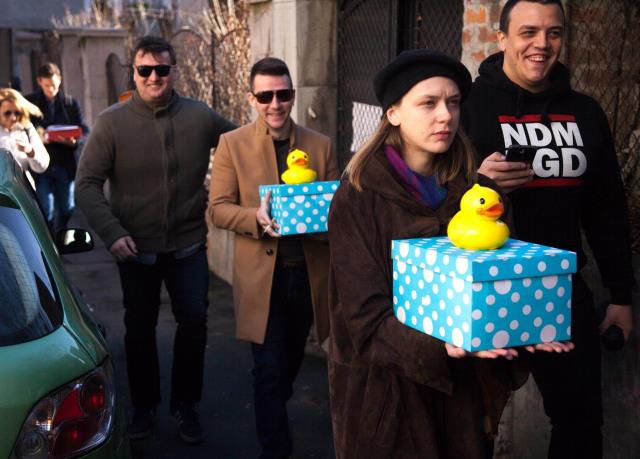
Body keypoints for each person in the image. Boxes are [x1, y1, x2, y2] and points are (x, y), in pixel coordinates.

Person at [327, 49, 530, 458]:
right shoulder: (358, 197)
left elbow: (502, 281)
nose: (445, 116)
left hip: (464, 397)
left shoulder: (479, 195)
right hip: (388, 401)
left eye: (453, 103)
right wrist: (440, 347)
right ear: (393, 113)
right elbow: (364, 319)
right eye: (428, 103)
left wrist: (521, 328)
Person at [461, 1, 635, 457]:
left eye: (554, 33)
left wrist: (621, 294)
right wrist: (478, 184)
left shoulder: (585, 112)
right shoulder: (468, 109)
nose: (542, 44)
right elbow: (432, 200)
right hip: (485, 288)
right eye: (528, 32)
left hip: (561, 289)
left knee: (580, 423)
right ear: (502, 39)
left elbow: (606, 208)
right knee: (469, 428)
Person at [75, 35, 235, 443]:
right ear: (133, 73)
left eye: (161, 69)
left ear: (173, 71)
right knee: (140, 329)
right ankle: (144, 408)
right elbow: (86, 186)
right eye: (144, 70)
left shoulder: (200, 116)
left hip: (189, 245)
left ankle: (186, 405)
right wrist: (112, 233)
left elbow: (243, 146)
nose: (153, 77)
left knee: (194, 323)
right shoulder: (111, 123)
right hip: (135, 250)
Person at [208, 57, 338, 459]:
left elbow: (336, 209)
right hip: (262, 280)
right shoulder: (232, 144)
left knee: (289, 363)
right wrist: (255, 218)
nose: (275, 104)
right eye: (265, 96)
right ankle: (275, 449)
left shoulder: (320, 145)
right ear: (252, 99)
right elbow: (217, 209)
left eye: (282, 94)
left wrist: (322, 217)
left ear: (293, 96)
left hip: (306, 275)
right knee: (267, 369)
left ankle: (272, 408)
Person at [27, 62, 88, 236]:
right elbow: (23, 126)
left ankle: (60, 235)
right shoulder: (30, 103)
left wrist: (73, 140)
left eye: (54, 85)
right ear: (39, 82)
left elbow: (83, 130)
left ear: (60, 80)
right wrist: (38, 135)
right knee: (45, 208)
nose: (51, 89)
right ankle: (50, 240)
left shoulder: (70, 103)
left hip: (64, 163)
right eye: (47, 85)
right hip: (41, 165)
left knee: (67, 207)